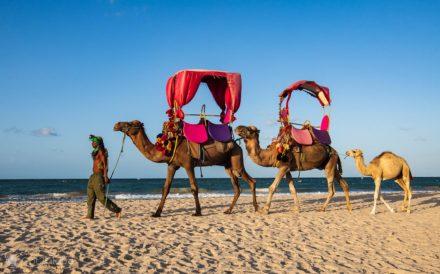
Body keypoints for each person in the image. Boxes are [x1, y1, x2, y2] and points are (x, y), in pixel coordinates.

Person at [84, 135, 122, 219]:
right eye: (92, 142)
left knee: (101, 197)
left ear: (98, 143)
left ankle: (117, 210)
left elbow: (105, 165)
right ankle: (89, 215)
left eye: (94, 142)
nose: (92, 143)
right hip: (93, 176)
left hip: (99, 176)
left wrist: (105, 176)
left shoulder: (101, 151)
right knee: (90, 197)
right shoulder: (95, 151)